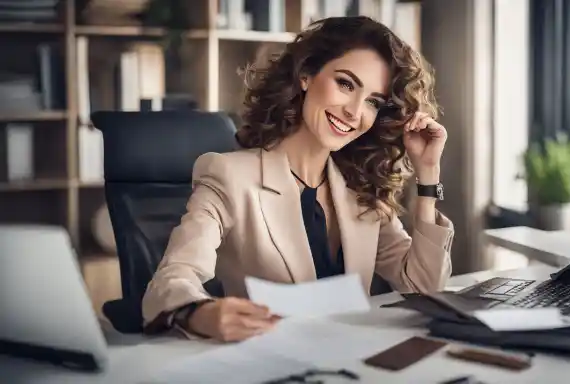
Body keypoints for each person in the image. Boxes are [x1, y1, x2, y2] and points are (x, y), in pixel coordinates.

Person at [142, 15, 454, 343]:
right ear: (306, 75)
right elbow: (172, 278)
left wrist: (428, 174)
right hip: (268, 361)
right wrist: (201, 313)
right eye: (346, 84)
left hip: (351, 361)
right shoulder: (229, 175)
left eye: (373, 102)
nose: (354, 111)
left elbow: (424, 288)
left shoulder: (360, 186)